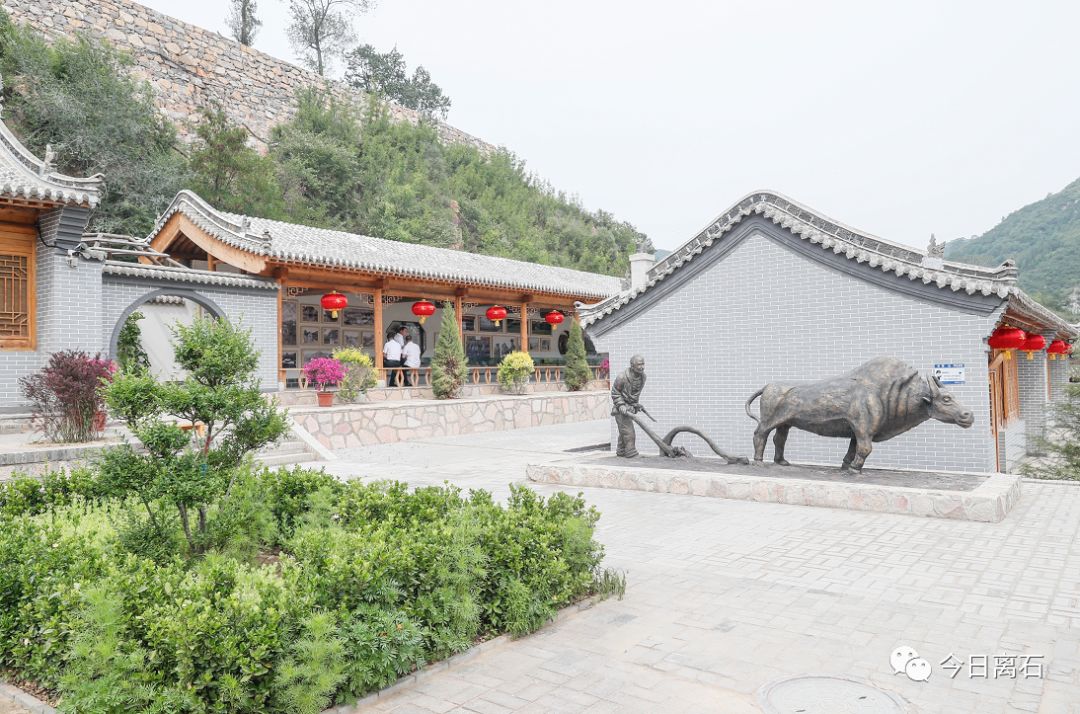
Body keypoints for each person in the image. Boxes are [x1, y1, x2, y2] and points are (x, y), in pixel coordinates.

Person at [611, 355, 646, 457]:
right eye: (639, 364)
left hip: (630, 408)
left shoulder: (643, 377)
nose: (642, 367)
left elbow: (633, 395)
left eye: (643, 364)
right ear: (632, 365)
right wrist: (621, 405)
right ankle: (631, 453)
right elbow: (615, 392)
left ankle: (621, 451)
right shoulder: (622, 377)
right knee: (629, 432)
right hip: (620, 409)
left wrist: (636, 405)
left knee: (623, 431)